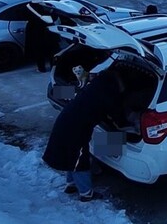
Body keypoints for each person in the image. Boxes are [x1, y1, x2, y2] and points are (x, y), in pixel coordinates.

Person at [43, 69, 126, 202]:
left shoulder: (93, 89)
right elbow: (115, 114)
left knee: (70, 155)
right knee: (79, 159)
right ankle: (86, 193)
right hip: (75, 129)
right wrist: (123, 124)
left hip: (66, 122)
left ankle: (71, 184)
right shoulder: (107, 95)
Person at [25, 0, 56, 72]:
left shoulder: (28, 6)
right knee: (51, 51)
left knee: (39, 51)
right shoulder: (48, 5)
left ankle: (41, 68)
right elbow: (54, 17)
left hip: (35, 32)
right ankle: (53, 68)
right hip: (49, 31)